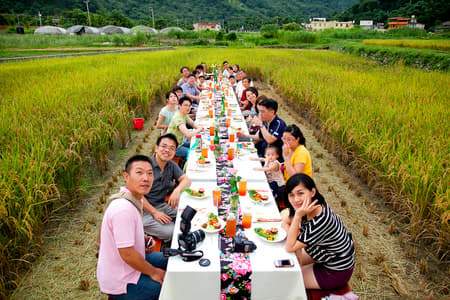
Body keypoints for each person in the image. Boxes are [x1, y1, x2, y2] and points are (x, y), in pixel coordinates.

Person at [97, 155, 168, 300]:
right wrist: (153, 272)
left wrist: (143, 240)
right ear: (126, 176)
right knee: (168, 289)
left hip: (131, 262)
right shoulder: (123, 209)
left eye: (150, 173)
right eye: (139, 172)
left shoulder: (135, 198)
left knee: (171, 260)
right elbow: (127, 254)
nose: (146, 178)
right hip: (121, 278)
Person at [281, 174, 355, 290]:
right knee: (286, 261)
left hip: (336, 270)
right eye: (291, 195)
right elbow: (286, 219)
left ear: (312, 192)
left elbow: (290, 246)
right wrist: (291, 225)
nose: (296, 199)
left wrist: (296, 217)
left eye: (300, 193)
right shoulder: (311, 205)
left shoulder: (320, 220)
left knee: (287, 279)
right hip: (323, 254)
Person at [143, 134, 191, 241]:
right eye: (164, 146)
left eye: (171, 148)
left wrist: (177, 191)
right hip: (143, 212)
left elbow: (186, 180)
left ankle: (165, 223)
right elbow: (136, 195)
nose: (167, 150)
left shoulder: (170, 165)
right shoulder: (145, 168)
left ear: (174, 152)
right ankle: (143, 230)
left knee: (190, 212)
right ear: (156, 148)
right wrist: (154, 212)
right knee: (172, 232)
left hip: (162, 205)